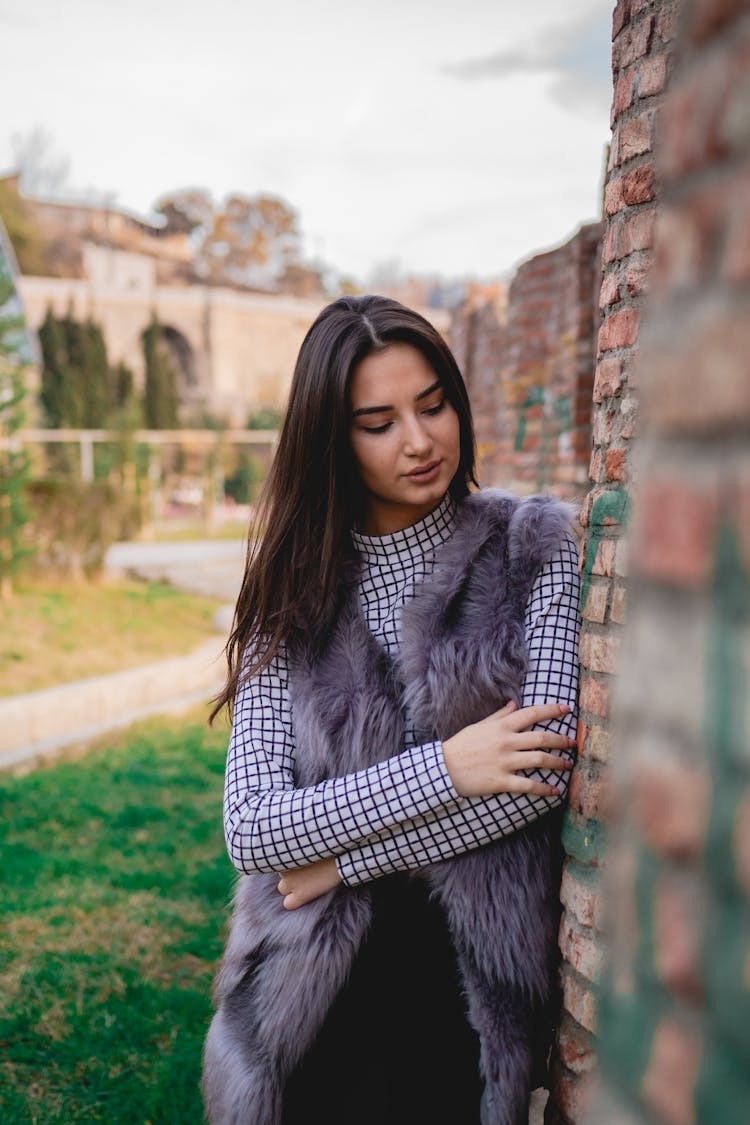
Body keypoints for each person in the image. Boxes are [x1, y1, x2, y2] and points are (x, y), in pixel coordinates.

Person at [202, 295, 581, 1125]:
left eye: (434, 403)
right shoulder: (287, 587)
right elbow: (254, 828)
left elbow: (541, 774)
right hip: (303, 996)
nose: (419, 439)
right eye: (378, 421)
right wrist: (452, 767)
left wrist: (339, 860)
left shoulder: (533, 546)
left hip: (463, 993)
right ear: (331, 441)